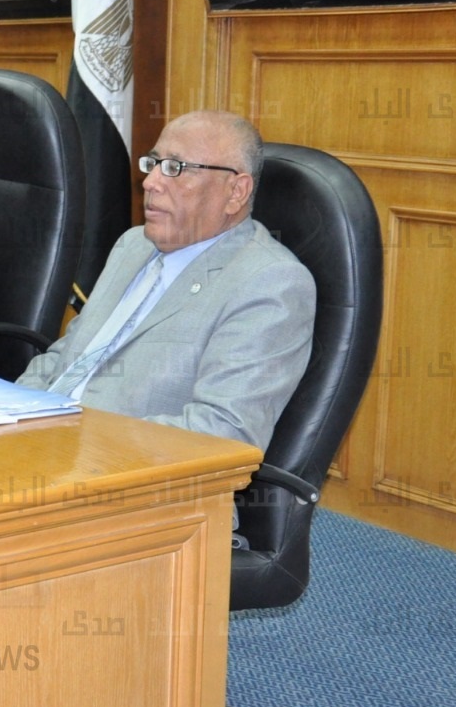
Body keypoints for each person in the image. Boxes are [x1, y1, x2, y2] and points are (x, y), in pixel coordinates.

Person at [18, 110, 315, 454]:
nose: (150, 182)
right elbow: (67, 355)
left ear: (236, 191)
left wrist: (75, 437)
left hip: (127, 473)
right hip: (40, 445)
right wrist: (9, 411)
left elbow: (223, 433)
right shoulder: (133, 245)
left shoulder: (269, 282)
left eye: (175, 168)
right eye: (153, 163)